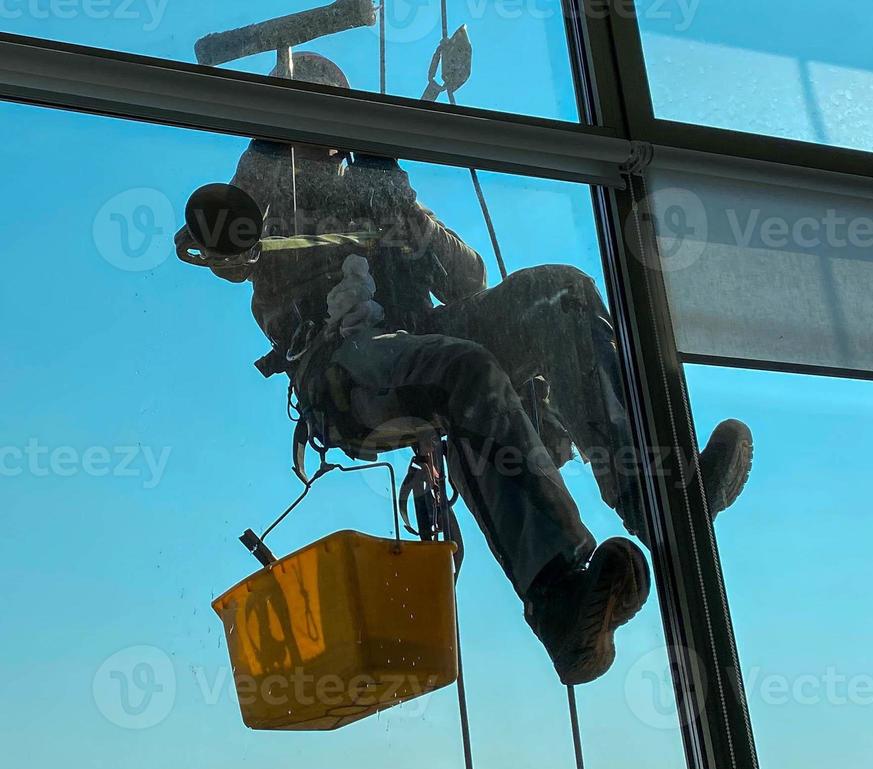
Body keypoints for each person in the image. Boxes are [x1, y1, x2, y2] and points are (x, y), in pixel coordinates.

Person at [175, 52, 753, 684]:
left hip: (418, 337)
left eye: (331, 102)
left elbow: (465, 279)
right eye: (306, 103)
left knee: (560, 293)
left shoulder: (371, 189)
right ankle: (561, 596)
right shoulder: (264, 186)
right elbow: (233, 252)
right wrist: (226, 225)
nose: (323, 121)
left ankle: (654, 496)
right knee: (462, 367)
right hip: (343, 367)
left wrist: (407, 215)